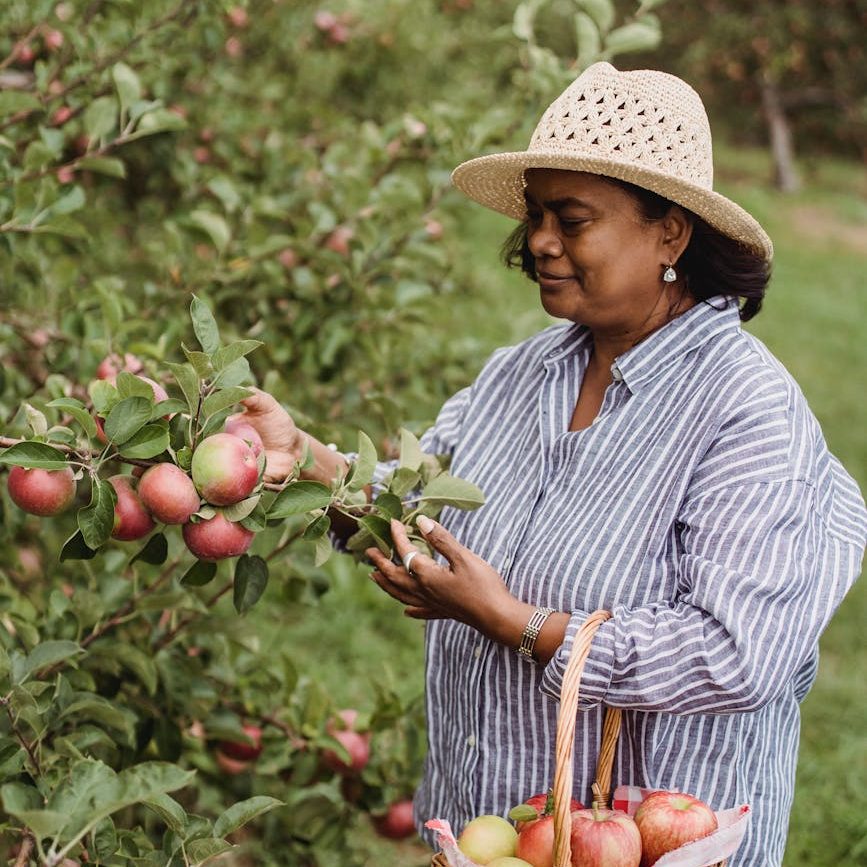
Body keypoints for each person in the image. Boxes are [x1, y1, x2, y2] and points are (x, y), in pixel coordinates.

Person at [240, 63, 866, 866]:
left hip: (643, 839)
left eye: (570, 219)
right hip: (489, 830)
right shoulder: (521, 372)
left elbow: (739, 653)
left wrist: (518, 624)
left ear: (669, 232)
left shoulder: (744, 410)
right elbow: (422, 506)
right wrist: (311, 461)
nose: (538, 241)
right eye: (536, 215)